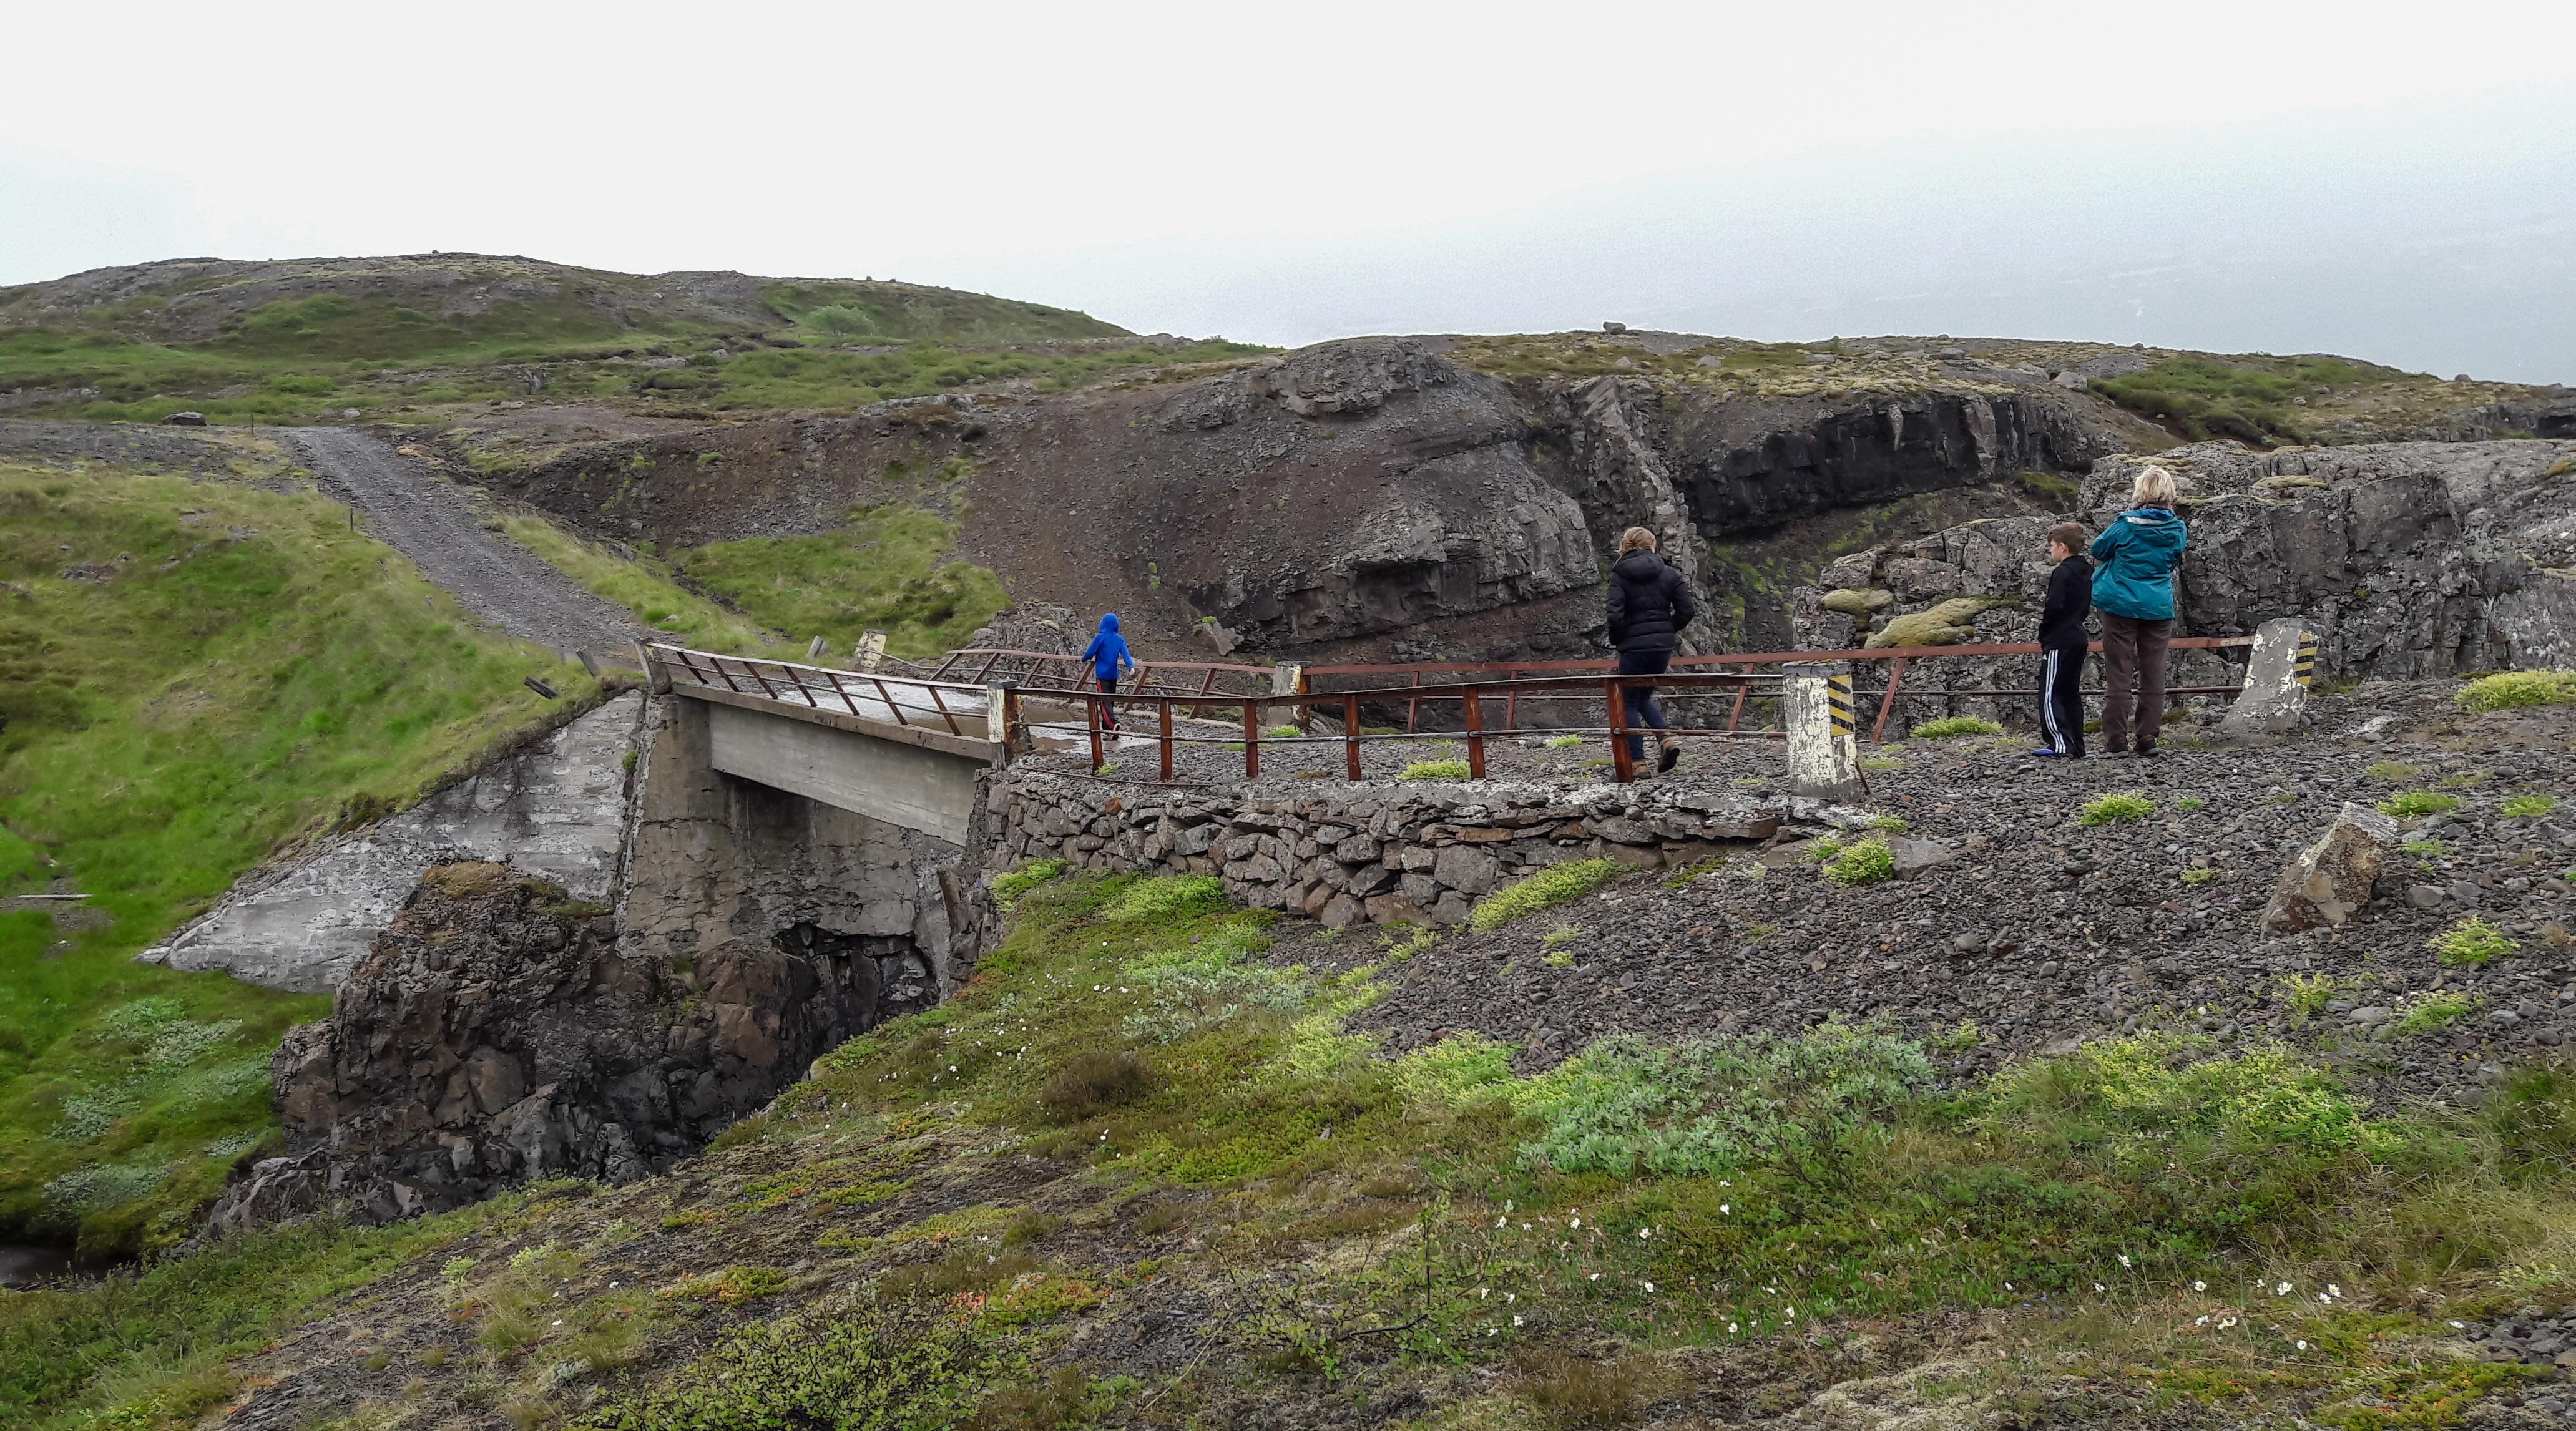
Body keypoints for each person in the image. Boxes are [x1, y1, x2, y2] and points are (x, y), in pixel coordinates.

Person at [2089, 466, 2188, 758]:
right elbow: (2172, 560)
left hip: (2120, 605)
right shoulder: (2176, 528)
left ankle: (2116, 741)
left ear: (2141, 491)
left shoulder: (2125, 525)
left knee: (2119, 671)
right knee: (2154, 671)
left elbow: (2098, 550)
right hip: (2157, 607)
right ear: (2169, 493)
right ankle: (2147, 737)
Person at [1604, 526, 1695, 773]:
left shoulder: (1620, 575)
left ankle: (1638, 764)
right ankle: (1666, 740)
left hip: (1633, 649)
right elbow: (1687, 611)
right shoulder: (1669, 574)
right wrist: (1666, 630)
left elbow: (1614, 615)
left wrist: (1620, 640)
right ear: (1651, 544)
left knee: (1628, 702)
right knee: (1643, 697)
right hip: (1661, 648)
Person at [2031, 521, 2092, 758]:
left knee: (2050, 691)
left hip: (2060, 639)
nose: (2051, 551)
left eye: (2052, 546)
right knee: (2070, 692)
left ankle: (2059, 743)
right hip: (2078, 636)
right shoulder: (2087, 571)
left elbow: (2054, 605)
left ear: (2063, 547)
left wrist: (2045, 631)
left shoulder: (2062, 572)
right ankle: (2076, 744)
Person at [1078, 613, 1136, 731]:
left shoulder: (1100, 637)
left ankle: (1112, 724)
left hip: (1102, 675)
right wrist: (1131, 667)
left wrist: (1082, 659)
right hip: (1113, 675)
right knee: (1110, 700)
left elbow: (1090, 653)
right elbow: (1126, 655)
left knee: (1104, 702)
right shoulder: (1119, 639)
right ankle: (1106, 726)